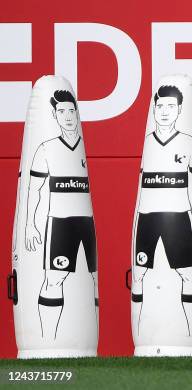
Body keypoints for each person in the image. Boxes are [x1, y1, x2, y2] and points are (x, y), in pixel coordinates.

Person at [132, 85, 192, 336]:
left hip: (180, 220)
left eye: (170, 107)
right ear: (154, 110)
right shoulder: (147, 143)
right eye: (160, 106)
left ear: (179, 110)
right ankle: (145, 336)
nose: (164, 112)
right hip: (146, 220)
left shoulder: (189, 143)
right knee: (139, 278)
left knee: (190, 276)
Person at [26, 89, 98, 339]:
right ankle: (48, 344)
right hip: (59, 224)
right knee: (54, 280)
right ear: (54, 116)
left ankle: (84, 344)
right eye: (61, 111)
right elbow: (34, 190)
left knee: (90, 281)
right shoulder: (45, 148)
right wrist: (30, 226)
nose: (67, 116)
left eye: (71, 111)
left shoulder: (81, 150)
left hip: (85, 224)